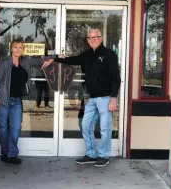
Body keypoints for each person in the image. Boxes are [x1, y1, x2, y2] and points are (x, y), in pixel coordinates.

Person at [42, 29, 121, 167]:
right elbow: (72, 60)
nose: (93, 39)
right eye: (90, 38)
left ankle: (103, 155)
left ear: (101, 38)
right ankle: (91, 154)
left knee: (105, 128)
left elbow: (116, 78)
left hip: (105, 98)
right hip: (92, 98)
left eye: (96, 37)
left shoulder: (109, 55)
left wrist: (113, 98)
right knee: (85, 125)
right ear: (88, 40)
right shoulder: (88, 55)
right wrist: (53, 59)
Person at [0, 40, 53, 164]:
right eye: (15, 47)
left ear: (23, 49)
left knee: (15, 128)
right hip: (3, 100)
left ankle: (12, 154)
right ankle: (5, 152)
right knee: (3, 128)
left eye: (20, 47)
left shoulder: (25, 61)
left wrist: (52, 58)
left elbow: (40, 60)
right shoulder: (4, 63)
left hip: (17, 101)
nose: (18, 50)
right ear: (11, 49)